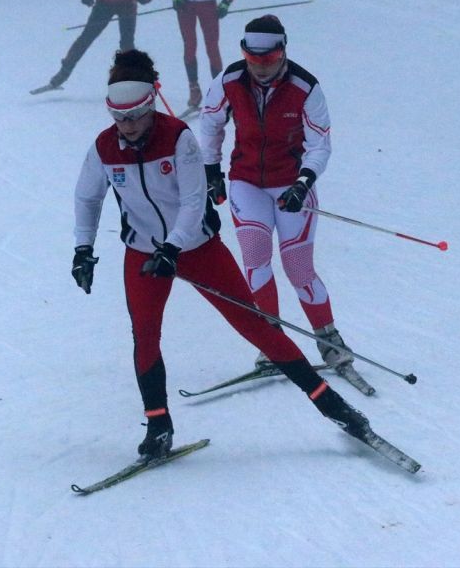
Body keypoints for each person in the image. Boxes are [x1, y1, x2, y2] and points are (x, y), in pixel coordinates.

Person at [71, 48, 371, 460]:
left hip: (197, 249)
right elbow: (87, 198)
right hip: (144, 255)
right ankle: (159, 425)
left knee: (257, 327)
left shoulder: (178, 138)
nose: (127, 127)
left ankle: (335, 408)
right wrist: (82, 250)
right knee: (145, 337)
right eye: (118, 118)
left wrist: (174, 246)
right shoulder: (105, 148)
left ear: (151, 106)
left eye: (136, 117)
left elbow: (194, 203)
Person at [198, 14, 357, 374]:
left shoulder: (305, 86)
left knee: (298, 267)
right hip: (246, 181)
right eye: (252, 58)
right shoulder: (229, 81)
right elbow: (210, 125)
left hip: (291, 184)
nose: (259, 67)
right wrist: (212, 171)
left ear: (282, 51)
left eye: (267, 60)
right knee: (255, 258)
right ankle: (272, 343)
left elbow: (320, 145)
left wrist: (304, 182)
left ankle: (329, 341)